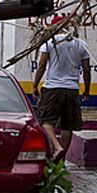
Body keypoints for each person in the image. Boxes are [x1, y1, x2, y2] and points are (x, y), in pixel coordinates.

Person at [32, 16, 91, 162]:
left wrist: (35, 85)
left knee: (46, 121)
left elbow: (42, 65)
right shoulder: (80, 44)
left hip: (52, 88)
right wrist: (87, 89)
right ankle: (61, 160)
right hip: (72, 89)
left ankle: (57, 147)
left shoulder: (49, 43)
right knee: (67, 126)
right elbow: (86, 69)